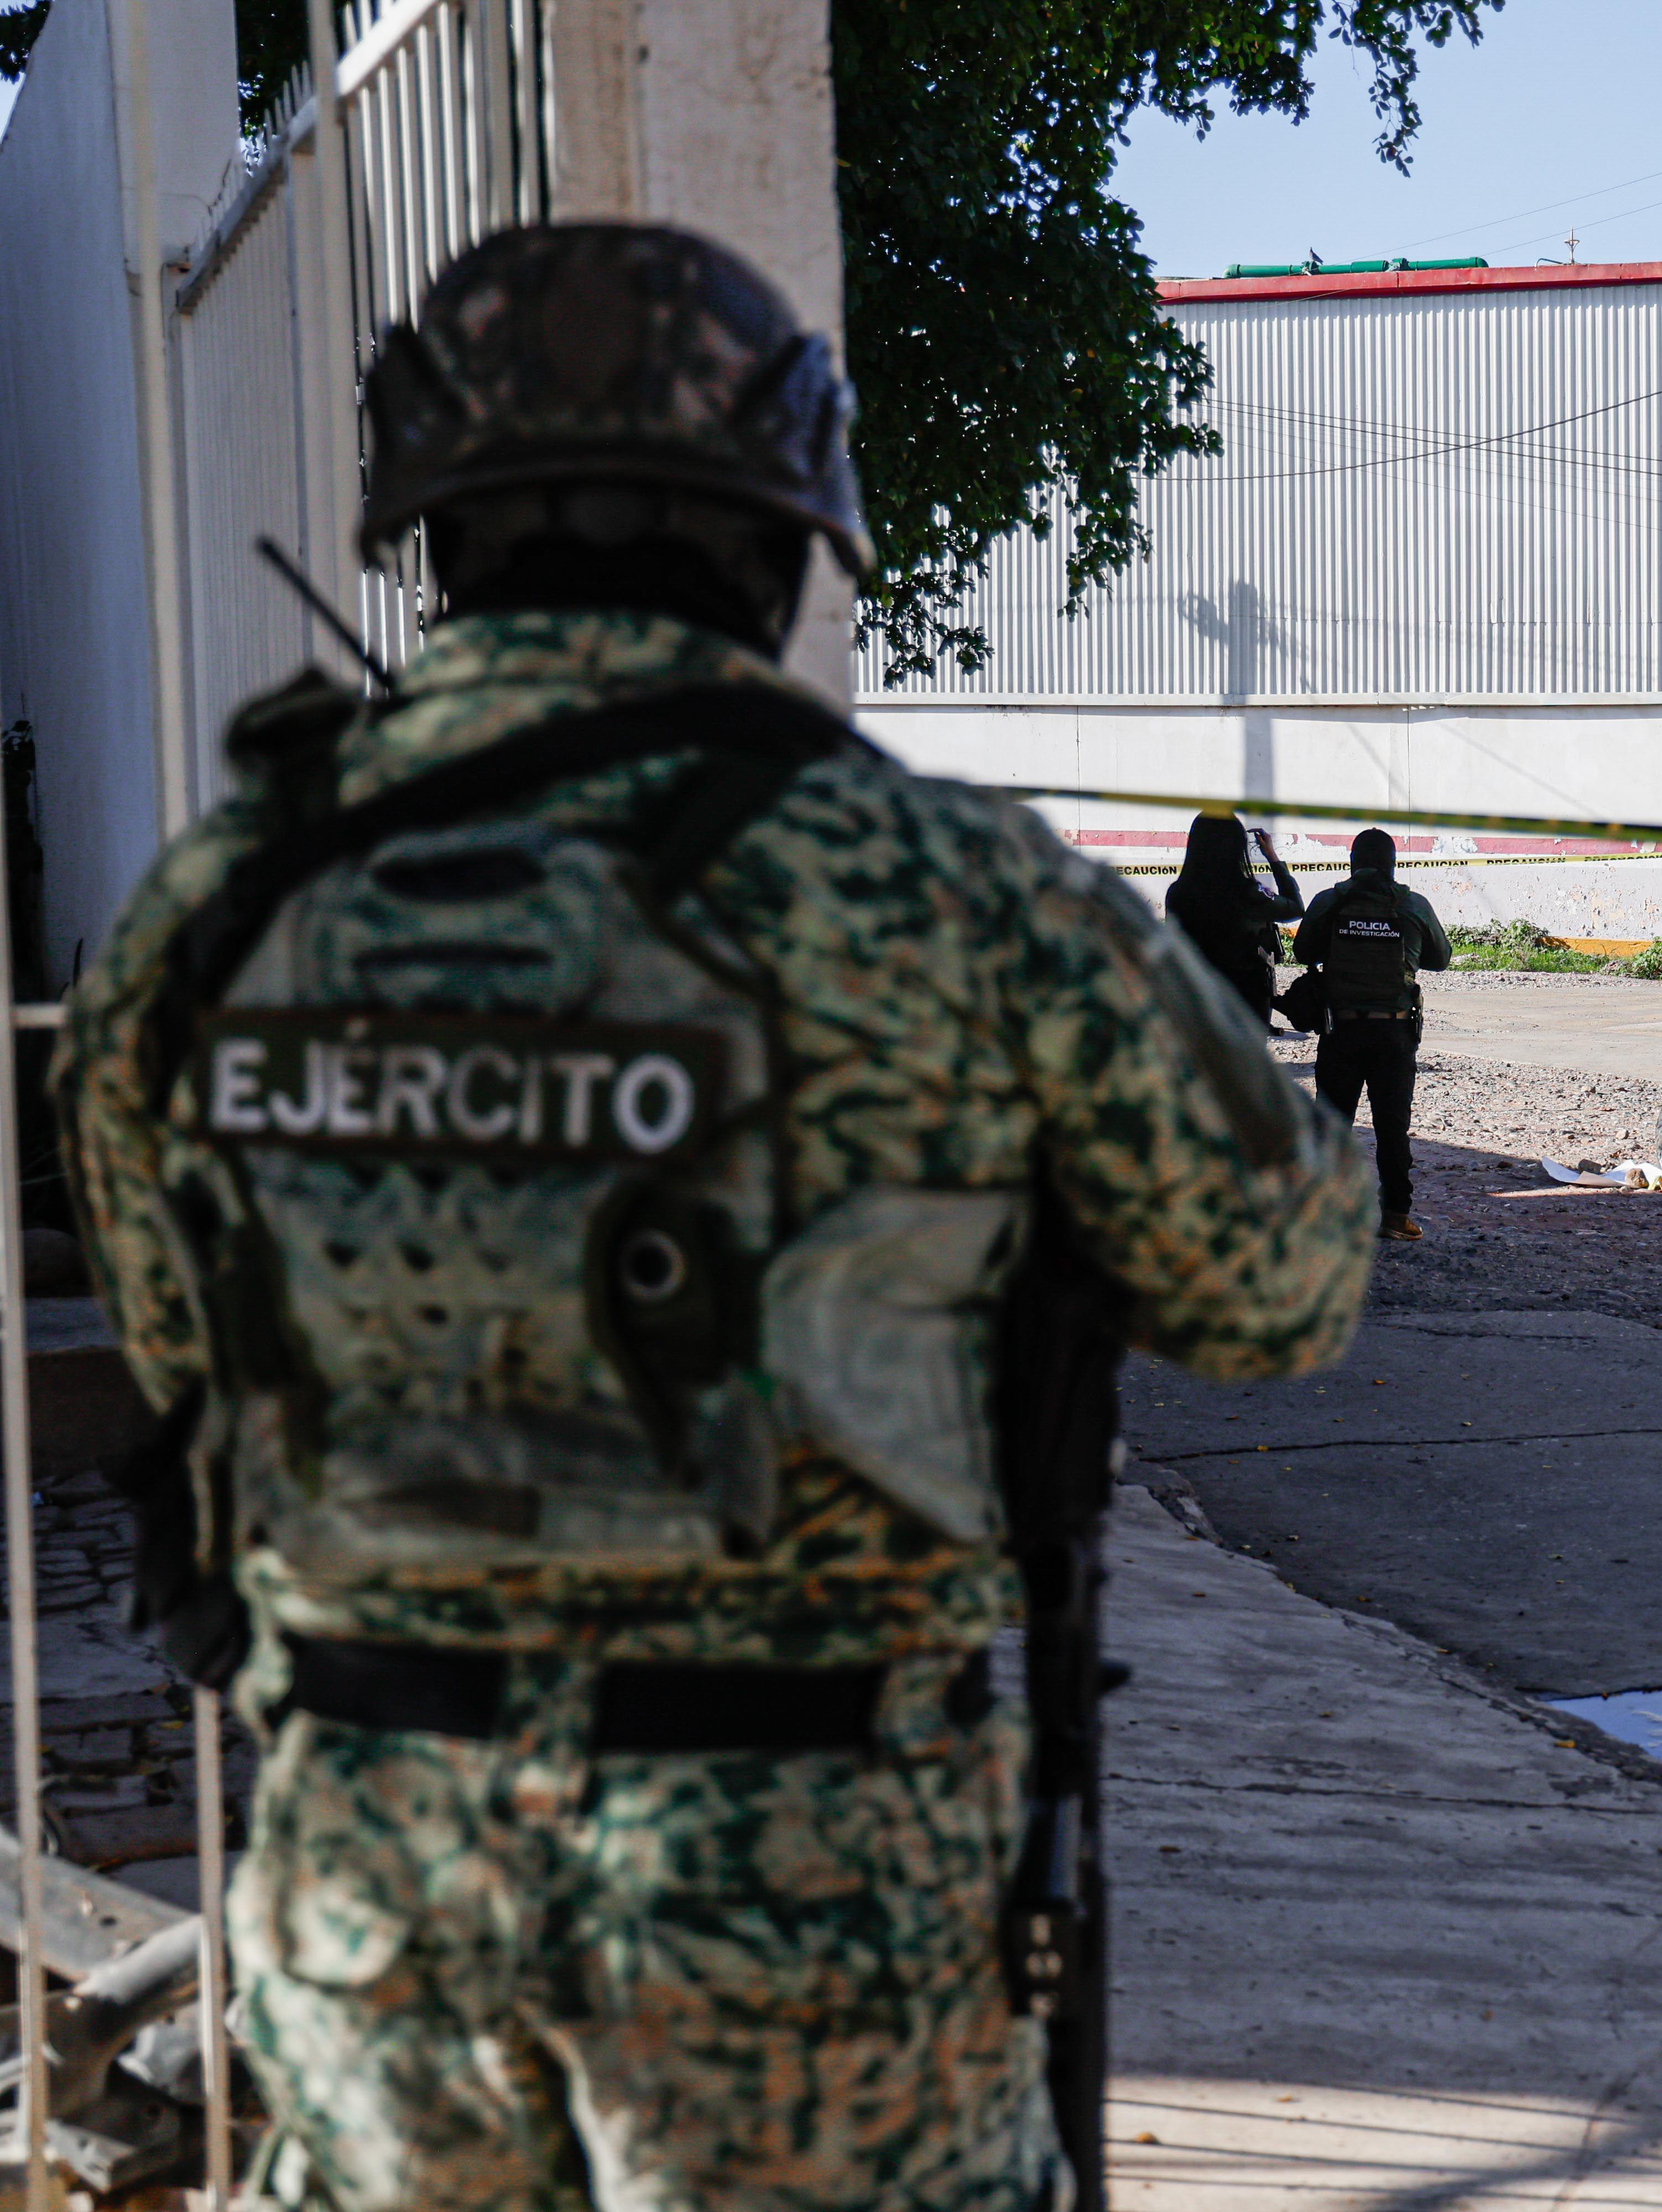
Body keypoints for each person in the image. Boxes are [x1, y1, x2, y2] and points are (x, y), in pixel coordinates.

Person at [51, 222, 1374, 2211]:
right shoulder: (951, 887)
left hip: (371, 1873)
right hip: (805, 1885)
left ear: (438, 533)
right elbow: (1280, 1287)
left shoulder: (216, 907)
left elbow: (185, 1359)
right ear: (781, 538)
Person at [1291, 828, 1451, 1241]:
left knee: (1332, 1125)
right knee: (1392, 1129)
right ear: (1392, 864)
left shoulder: (1330, 902)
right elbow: (1441, 959)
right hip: (1394, 1034)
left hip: (1340, 1030)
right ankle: (1396, 1216)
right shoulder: (1413, 906)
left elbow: (1303, 953)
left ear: (1352, 863)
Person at [1163, 813, 1306, 1030]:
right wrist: (1273, 858)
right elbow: (1295, 908)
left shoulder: (1178, 893)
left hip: (1194, 1001)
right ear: (1238, 847)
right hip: (1245, 1004)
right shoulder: (1249, 893)